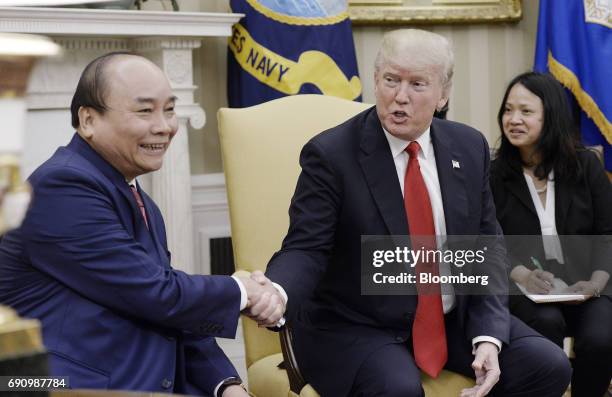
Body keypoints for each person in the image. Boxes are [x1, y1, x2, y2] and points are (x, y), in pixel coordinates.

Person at [264, 29, 571, 397]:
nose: (400, 97)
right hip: (359, 325)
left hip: (449, 320)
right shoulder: (331, 155)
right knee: (400, 390)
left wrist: (488, 335)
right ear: (376, 80)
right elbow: (306, 248)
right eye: (391, 80)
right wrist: (277, 291)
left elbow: (487, 249)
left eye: (418, 84)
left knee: (548, 365)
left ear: (444, 94)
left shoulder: (468, 147)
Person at [0, 52, 285, 396]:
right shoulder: (63, 187)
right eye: (145, 110)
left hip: (138, 379)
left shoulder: (137, 197)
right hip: (60, 385)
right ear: (88, 119)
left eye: (169, 109)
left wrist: (224, 383)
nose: (164, 126)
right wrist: (242, 290)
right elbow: (156, 293)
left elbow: (164, 306)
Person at [490, 71, 612, 397]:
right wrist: (522, 274)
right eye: (508, 110)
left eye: (526, 112)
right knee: (545, 323)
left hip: (587, 284)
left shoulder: (585, 166)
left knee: (602, 338)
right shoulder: (492, 175)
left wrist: (597, 283)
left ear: (551, 116)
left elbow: (607, 232)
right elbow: (487, 242)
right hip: (525, 288)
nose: (513, 120)